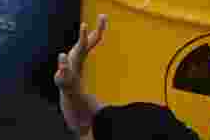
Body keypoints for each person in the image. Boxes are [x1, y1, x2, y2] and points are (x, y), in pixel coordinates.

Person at [54, 15, 201, 139]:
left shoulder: (154, 125)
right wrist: (71, 87)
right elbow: (87, 122)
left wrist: (72, 86)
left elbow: (86, 123)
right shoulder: (157, 124)